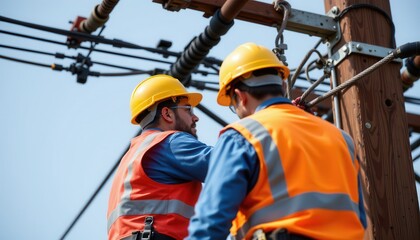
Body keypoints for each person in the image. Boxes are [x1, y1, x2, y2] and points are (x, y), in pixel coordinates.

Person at [187, 43, 367, 240]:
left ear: (240, 97)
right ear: (282, 86)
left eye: (232, 106)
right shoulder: (342, 138)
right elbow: (360, 218)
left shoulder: (242, 135)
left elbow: (210, 224)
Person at [107, 74, 213, 240]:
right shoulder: (170, 142)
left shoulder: (132, 155)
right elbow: (227, 163)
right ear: (167, 114)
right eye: (188, 109)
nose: (195, 117)